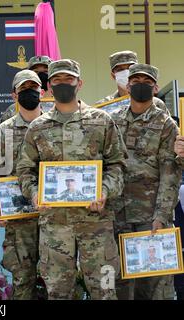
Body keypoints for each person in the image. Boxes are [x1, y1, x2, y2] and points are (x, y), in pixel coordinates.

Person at [16, 59, 126, 300]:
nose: (63, 84)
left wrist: (105, 191)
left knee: (104, 291)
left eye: (69, 79)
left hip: (95, 223)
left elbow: (117, 165)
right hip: (55, 226)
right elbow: (25, 170)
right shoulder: (37, 127)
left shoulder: (102, 121)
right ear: (49, 86)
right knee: (58, 293)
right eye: (57, 80)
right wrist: (35, 194)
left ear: (80, 83)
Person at [110, 64, 180, 300]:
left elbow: (170, 174)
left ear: (155, 87)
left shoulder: (166, 124)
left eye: (147, 82)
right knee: (121, 285)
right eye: (136, 80)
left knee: (154, 287)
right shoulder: (113, 120)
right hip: (118, 215)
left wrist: (161, 215)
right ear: (127, 85)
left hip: (150, 218)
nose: (140, 84)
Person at [0, 69, 43, 300]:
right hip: (19, 220)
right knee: (23, 280)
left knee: (58, 279)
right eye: (24, 90)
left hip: (54, 218)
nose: (29, 93)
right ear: (14, 96)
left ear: (43, 91)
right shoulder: (2, 132)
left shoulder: (53, 125)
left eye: (34, 88)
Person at [95, 50, 169, 115]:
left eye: (130, 68)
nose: (126, 72)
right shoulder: (103, 106)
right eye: (120, 70)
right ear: (113, 76)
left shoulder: (156, 104)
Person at [0, 55, 53, 123]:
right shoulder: (13, 110)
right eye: (36, 72)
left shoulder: (59, 107)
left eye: (46, 71)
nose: (41, 75)